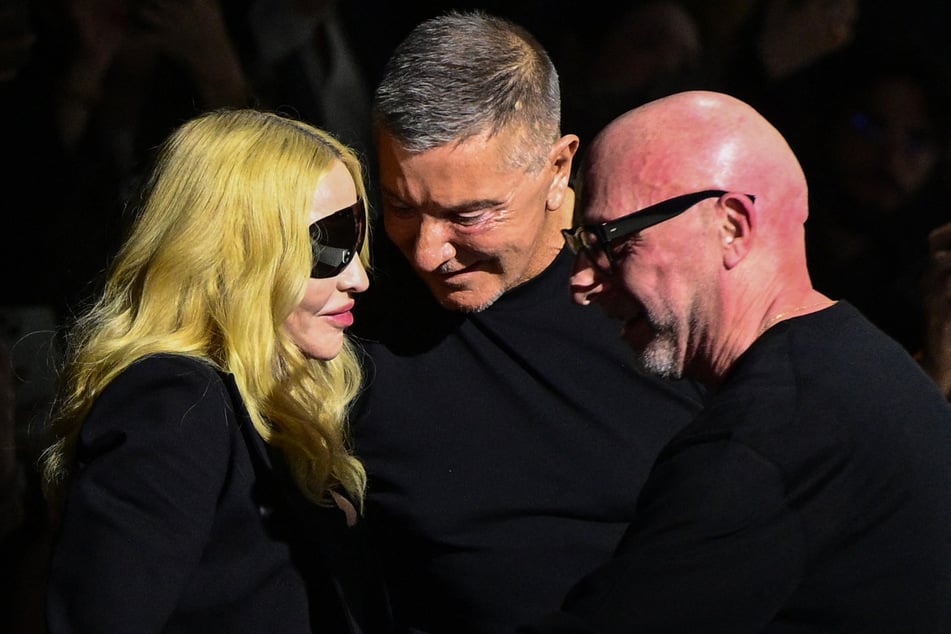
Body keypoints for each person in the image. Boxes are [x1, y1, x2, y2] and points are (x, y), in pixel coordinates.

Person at [524, 90, 951, 632]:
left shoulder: (770, 439)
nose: (582, 280)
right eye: (580, 243)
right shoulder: (863, 365)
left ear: (731, 226)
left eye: (612, 240)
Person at [349, 10, 706, 634]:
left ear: (558, 167)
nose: (429, 251)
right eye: (402, 206)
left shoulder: (664, 292)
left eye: (470, 216)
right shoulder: (348, 302)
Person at [39, 108, 392, 633]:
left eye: (359, 234)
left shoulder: (273, 401)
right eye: (331, 243)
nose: (358, 276)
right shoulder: (174, 402)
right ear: (236, 255)